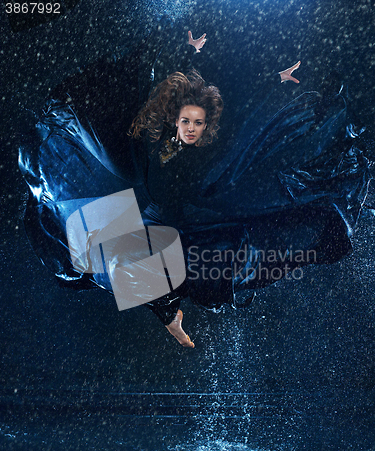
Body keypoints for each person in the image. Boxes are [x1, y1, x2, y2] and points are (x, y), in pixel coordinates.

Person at [18, 30, 372, 348]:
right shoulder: (152, 137)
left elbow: (236, 100)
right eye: (185, 122)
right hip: (152, 217)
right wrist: (183, 48)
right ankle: (169, 306)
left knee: (221, 258)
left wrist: (275, 80)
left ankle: (175, 298)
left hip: (183, 218)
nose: (191, 129)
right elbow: (166, 85)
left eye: (197, 124)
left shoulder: (208, 141)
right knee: (137, 261)